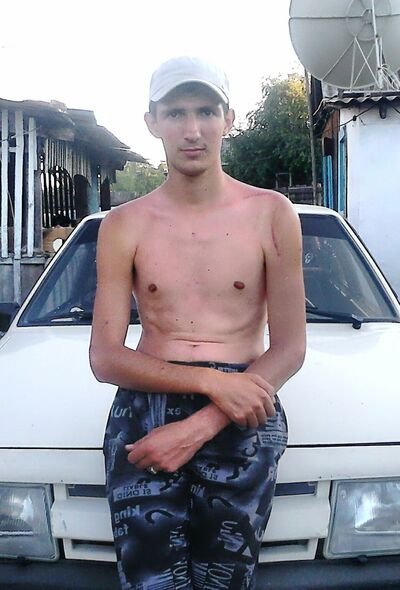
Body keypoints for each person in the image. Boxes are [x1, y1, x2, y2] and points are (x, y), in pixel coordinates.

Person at [90, 55, 306, 590]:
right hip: (148, 406)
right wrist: (211, 382)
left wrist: (201, 423)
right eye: (176, 113)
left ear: (228, 118)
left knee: (225, 579)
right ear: (152, 122)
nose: (192, 130)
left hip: (243, 406)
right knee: (150, 580)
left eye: (206, 111)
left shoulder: (272, 213)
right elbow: (105, 357)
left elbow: (290, 347)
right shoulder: (123, 225)